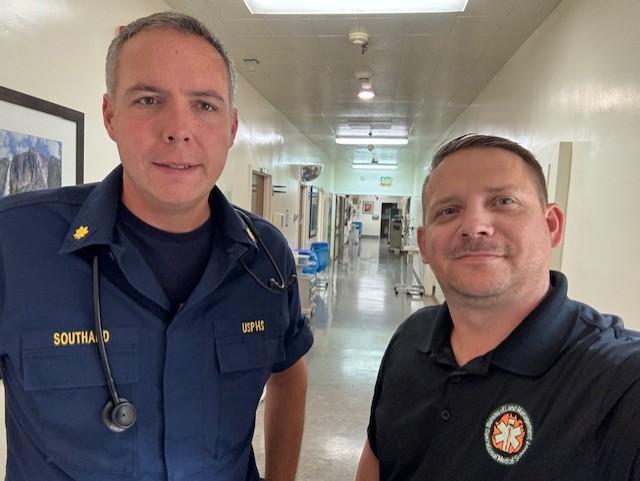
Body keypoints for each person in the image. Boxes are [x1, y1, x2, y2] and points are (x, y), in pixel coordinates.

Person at [0, 12, 313, 481]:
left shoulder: (264, 256)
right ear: (111, 116)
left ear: (231, 128)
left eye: (204, 105)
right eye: (149, 99)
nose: (178, 129)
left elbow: (289, 369)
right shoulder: (16, 244)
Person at [355, 134, 640, 481]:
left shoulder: (619, 381)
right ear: (424, 244)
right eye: (449, 210)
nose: (474, 226)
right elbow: (377, 456)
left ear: (551, 226)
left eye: (504, 201)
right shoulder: (411, 337)